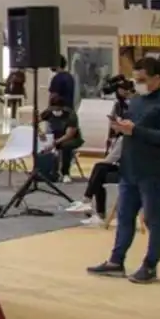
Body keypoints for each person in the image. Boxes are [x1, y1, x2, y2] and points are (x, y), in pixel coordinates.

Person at [88, 57, 160, 284]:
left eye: (143, 80)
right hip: (130, 167)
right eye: (136, 80)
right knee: (124, 216)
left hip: (153, 170)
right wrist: (120, 126)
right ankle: (116, 261)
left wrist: (135, 130)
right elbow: (131, 128)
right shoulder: (137, 101)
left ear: (158, 79)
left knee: (152, 218)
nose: (138, 84)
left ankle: (150, 265)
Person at [66, 78, 134, 225]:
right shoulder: (120, 137)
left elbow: (111, 159)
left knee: (99, 170)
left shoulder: (124, 139)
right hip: (124, 166)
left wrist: (104, 163)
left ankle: (88, 201)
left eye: (114, 124)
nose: (112, 127)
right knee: (99, 170)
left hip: (131, 172)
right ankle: (91, 204)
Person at [35, 93, 81, 182]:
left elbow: (69, 134)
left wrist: (56, 142)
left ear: (62, 108)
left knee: (66, 146)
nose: (55, 111)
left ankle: (65, 173)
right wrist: (40, 132)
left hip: (71, 138)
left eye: (58, 109)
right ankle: (45, 171)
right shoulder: (48, 112)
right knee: (41, 144)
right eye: (54, 109)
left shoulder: (70, 114)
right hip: (54, 136)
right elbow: (34, 122)